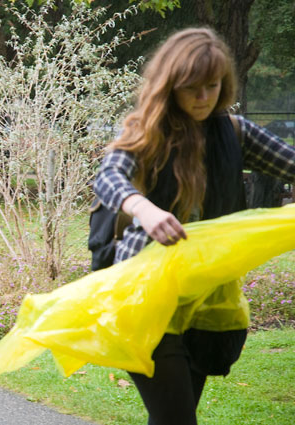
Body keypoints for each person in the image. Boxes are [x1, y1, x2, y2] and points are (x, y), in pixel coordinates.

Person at [93, 27, 295, 425]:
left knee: (175, 417)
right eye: (192, 88)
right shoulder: (144, 129)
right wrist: (144, 210)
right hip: (146, 295)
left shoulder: (234, 131)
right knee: (176, 419)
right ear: (170, 86)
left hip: (206, 301)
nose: (204, 98)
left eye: (213, 86)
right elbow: (109, 178)